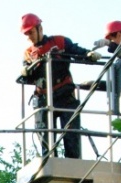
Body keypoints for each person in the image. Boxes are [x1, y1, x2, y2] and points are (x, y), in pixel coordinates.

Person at [16, 13, 100, 159]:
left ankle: (73, 164)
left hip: (64, 94)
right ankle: (49, 162)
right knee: (46, 140)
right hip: (43, 98)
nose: (29, 36)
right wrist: (25, 71)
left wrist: (89, 54)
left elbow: (76, 51)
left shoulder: (59, 42)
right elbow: (28, 76)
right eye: (26, 34)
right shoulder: (29, 54)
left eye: (31, 32)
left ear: (40, 28)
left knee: (71, 136)